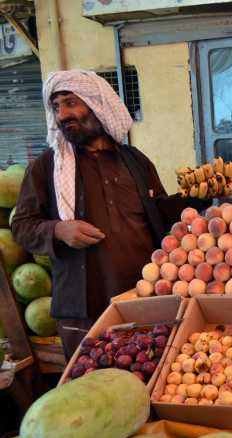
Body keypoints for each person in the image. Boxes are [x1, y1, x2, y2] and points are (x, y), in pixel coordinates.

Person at [11, 70, 187, 358]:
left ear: (97, 104)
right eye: (56, 107)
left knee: (145, 381)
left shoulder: (135, 160)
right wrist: (58, 230)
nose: (62, 115)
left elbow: (161, 215)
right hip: (83, 311)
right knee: (90, 388)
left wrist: (194, 200)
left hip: (142, 298)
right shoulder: (47, 167)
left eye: (70, 103)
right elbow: (22, 226)